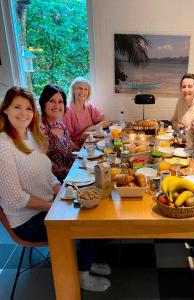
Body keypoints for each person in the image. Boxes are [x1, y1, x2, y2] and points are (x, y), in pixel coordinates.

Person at [0, 87, 111, 292]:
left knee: (99, 207)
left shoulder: (30, 136)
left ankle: (85, 260)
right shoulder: (3, 145)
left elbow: (47, 171)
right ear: (5, 109)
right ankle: (82, 275)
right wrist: (53, 205)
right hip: (28, 219)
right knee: (93, 223)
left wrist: (59, 188)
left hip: (48, 203)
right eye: (17, 107)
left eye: (28, 108)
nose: (23, 113)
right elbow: (15, 199)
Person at [39, 84, 74, 182]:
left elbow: (70, 150)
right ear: (43, 103)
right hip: (55, 184)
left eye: (60, 102)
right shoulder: (40, 129)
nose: (57, 106)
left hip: (71, 176)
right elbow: (44, 166)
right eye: (52, 101)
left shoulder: (60, 124)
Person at [63, 77, 109, 148]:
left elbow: (106, 122)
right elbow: (65, 138)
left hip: (92, 144)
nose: (83, 92)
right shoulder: (68, 110)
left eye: (86, 89)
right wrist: (79, 151)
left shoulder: (89, 107)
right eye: (80, 88)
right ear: (73, 90)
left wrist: (89, 129)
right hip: (78, 148)